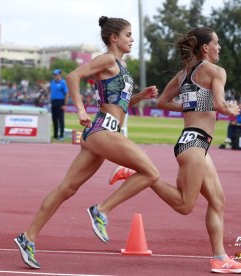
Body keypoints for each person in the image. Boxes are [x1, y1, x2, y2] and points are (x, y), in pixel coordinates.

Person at [14, 16, 159, 269]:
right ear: (114, 38)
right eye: (128, 34)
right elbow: (73, 76)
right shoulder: (107, 59)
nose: (132, 39)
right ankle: (101, 210)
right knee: (151, 172)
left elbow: (118, 105)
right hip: (103, 130)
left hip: (104, 131)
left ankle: (27, 237)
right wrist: (80, 110)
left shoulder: (122, 67)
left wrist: (140, 97)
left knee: (66, 189)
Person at [109, 27, 241, 273]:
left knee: (218, 201)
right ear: (205, 47)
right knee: (185, 206)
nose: (220, 47)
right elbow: (219, 103)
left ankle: (220, 258)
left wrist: (195, 105)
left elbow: (162, 102)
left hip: (195, 144)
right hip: (195, 144)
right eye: (217, 43)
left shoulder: (184, 73)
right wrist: (229, 109)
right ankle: (138, 174)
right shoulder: (217, 71)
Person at [50, 69, 69, 140]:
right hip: (53, 102)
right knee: (54, 119)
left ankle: (61, 135)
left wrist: (65, 104)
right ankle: (55, 135)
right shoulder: (52, 82)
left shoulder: (63, 82)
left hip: (60, 102)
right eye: (54, 74)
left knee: (61, 119)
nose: (54, 76)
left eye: (56, 74)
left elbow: (67, 93)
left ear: (59, 75)